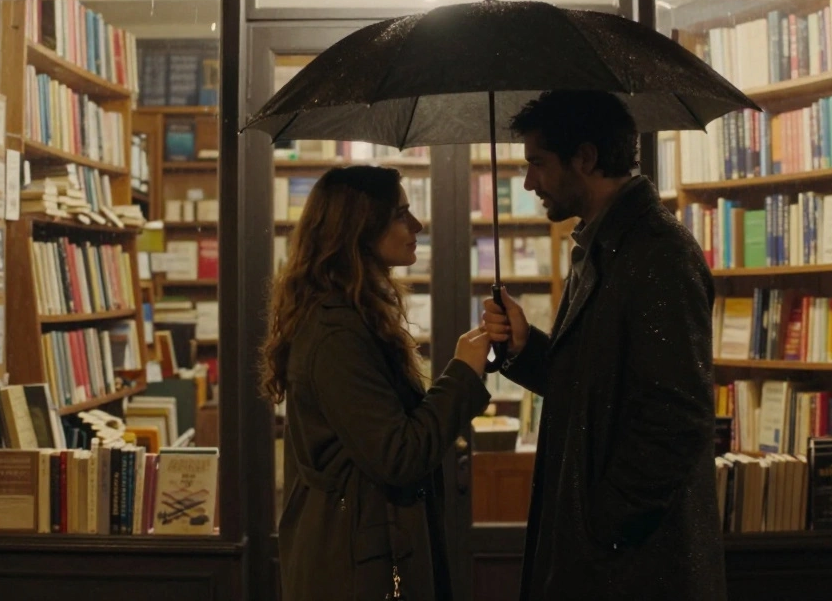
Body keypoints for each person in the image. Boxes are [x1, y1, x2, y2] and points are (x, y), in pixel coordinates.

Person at [481, 90, 725, 600]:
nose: (528, 183)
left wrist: (602, 526)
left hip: (635, 569)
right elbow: (594, 387)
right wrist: (525, 348)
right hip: (607, 561)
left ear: (585, 158)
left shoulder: (659, 253)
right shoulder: (603, 246)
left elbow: (677, 417)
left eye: (537, 163)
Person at [262, 164, 492, 601]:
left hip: (362, 552)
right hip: (354, 568)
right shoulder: (336, 334)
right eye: (401, 214)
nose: (417, 225)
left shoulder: (353, 317)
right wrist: (463, 372)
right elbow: (399, 454)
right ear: (360, 228)